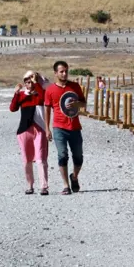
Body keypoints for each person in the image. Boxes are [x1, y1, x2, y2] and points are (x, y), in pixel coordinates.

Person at [44, 60, 87, 195]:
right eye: (61, 71)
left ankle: (74, 177)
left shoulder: (75, 86)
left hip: (75, 127)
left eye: (66, 71)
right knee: (62, 155)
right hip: (59, 127)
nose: (64, 74)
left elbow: (83, 103)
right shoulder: (50, 90)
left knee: (78, 156)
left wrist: (77, 104)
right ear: (56, 73)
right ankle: (65, 186)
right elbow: (47, 109)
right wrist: (47, 128)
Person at [10, 71, 49, 195]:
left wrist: (37, 83)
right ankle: (30, 185)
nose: (29, 84)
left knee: (40, 159)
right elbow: (13, 108)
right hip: (24, 130)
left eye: (31, 81)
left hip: (40, 129)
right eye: (27, 82)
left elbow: (43, 98)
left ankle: (44, 186)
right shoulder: (22, 95)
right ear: (24, 84)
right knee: (26, 160)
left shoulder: (41, 93)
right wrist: (16, 93)